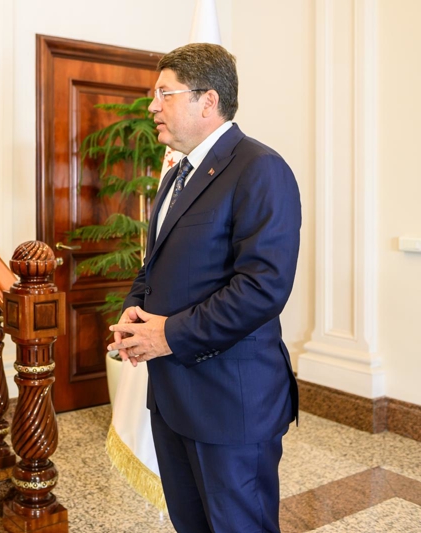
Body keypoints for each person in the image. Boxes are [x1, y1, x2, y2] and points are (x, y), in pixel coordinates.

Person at [107, 43, 300, 533]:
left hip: (231, 404)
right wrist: (134, 309)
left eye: (164, 94)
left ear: (207, 100)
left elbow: (262, 287)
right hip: (173, 398)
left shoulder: (260, 168)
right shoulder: (177, 173)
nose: (152, 106)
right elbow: (156, 265)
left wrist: (167, 335)